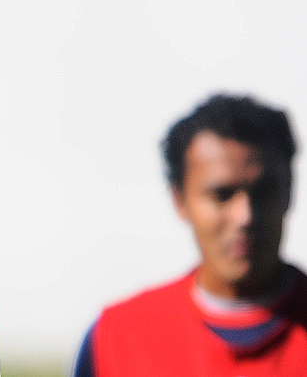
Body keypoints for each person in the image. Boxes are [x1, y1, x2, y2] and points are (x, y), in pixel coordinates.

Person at [74, 94, 307, 376]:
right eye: (221, 195)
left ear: (291, 190)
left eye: (264, 192)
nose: (245, 216)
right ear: (180, 199)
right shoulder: (116, 336)